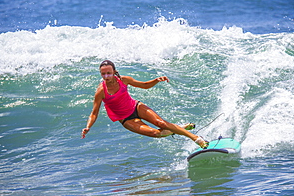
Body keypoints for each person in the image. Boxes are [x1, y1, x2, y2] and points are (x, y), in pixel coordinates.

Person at [81, 60, 209, 148]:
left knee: (162, 124)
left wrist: (157, 80)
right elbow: (94, 113)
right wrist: (88, 127)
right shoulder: (101, 91)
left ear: (114, 72)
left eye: (109, 73)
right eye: (103, 74)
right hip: (125, 119)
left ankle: (196, 139)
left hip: (136, 107)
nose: (106, 76)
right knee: (156, 133)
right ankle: (179, 128)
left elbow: (145, 86)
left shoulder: (123, 80)